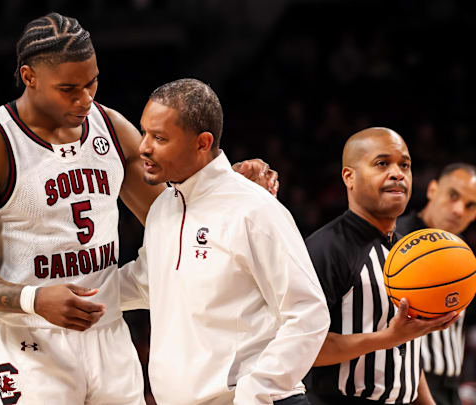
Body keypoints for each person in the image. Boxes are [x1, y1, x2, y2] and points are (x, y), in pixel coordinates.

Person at [0, 12, 278, 405]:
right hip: (30, 337)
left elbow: (175, 214)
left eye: (92, 83)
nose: (85, 99)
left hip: (109, 330)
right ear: (29, 77)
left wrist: (232, 185)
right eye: (69, 89)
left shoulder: (111, 128)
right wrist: (33, 298)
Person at [118, 78, 330, 405]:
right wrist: (61, 291)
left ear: (203, 143)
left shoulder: (253, 208)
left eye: (159, 138)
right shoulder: (163, 207)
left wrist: (256, 393)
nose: (144, 146)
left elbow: (308, 312)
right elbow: (149, 281)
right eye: (144, 132)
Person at [304, 127, 461, 405]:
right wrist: (388, 337)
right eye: (381, 163)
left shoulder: (410, 253)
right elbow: (305, 349)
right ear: (349, 177)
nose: (397, 173)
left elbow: (407, 353)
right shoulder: (324, 249)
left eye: (405, 165)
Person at [396, 163, 476, 405]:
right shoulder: (398, 240)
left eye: (471, 205)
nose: (459, 210)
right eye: (453, 195)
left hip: (451, 385)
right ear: (432, 189)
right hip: (410, 384)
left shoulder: (464, 252)